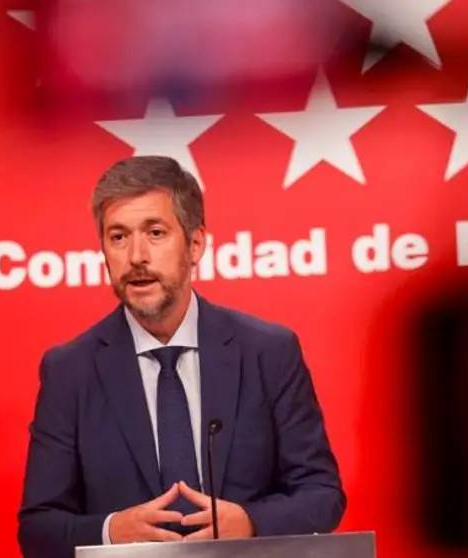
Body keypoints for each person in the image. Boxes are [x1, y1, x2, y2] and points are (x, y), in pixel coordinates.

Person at [17, 156, 346, 558]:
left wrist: (250, 522)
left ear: (195, 244)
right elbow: (38, 528)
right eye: (118, 237)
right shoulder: (70, 370)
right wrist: (109, 530)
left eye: (155, 233)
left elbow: (321, 495)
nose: (136, 255)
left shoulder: (269, 351)